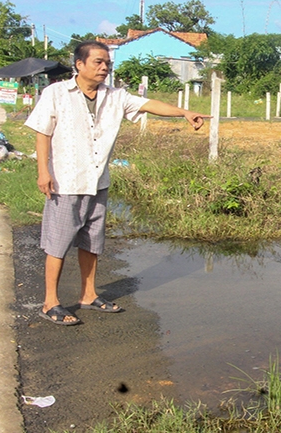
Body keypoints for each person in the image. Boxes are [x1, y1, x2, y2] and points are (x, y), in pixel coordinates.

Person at [24, 40, 210, 325]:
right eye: (98, 62)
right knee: (57, 243)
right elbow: (42, 133)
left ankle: (88, 295)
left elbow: (148, 104)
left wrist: (184, 112)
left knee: (92, 241)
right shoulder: (56, 93)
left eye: (107, 63)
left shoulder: (115, 96)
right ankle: (51, 302)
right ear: (79, 64)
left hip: (97, 181)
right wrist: (42, 172)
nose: (104, 67)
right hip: (65, 181)